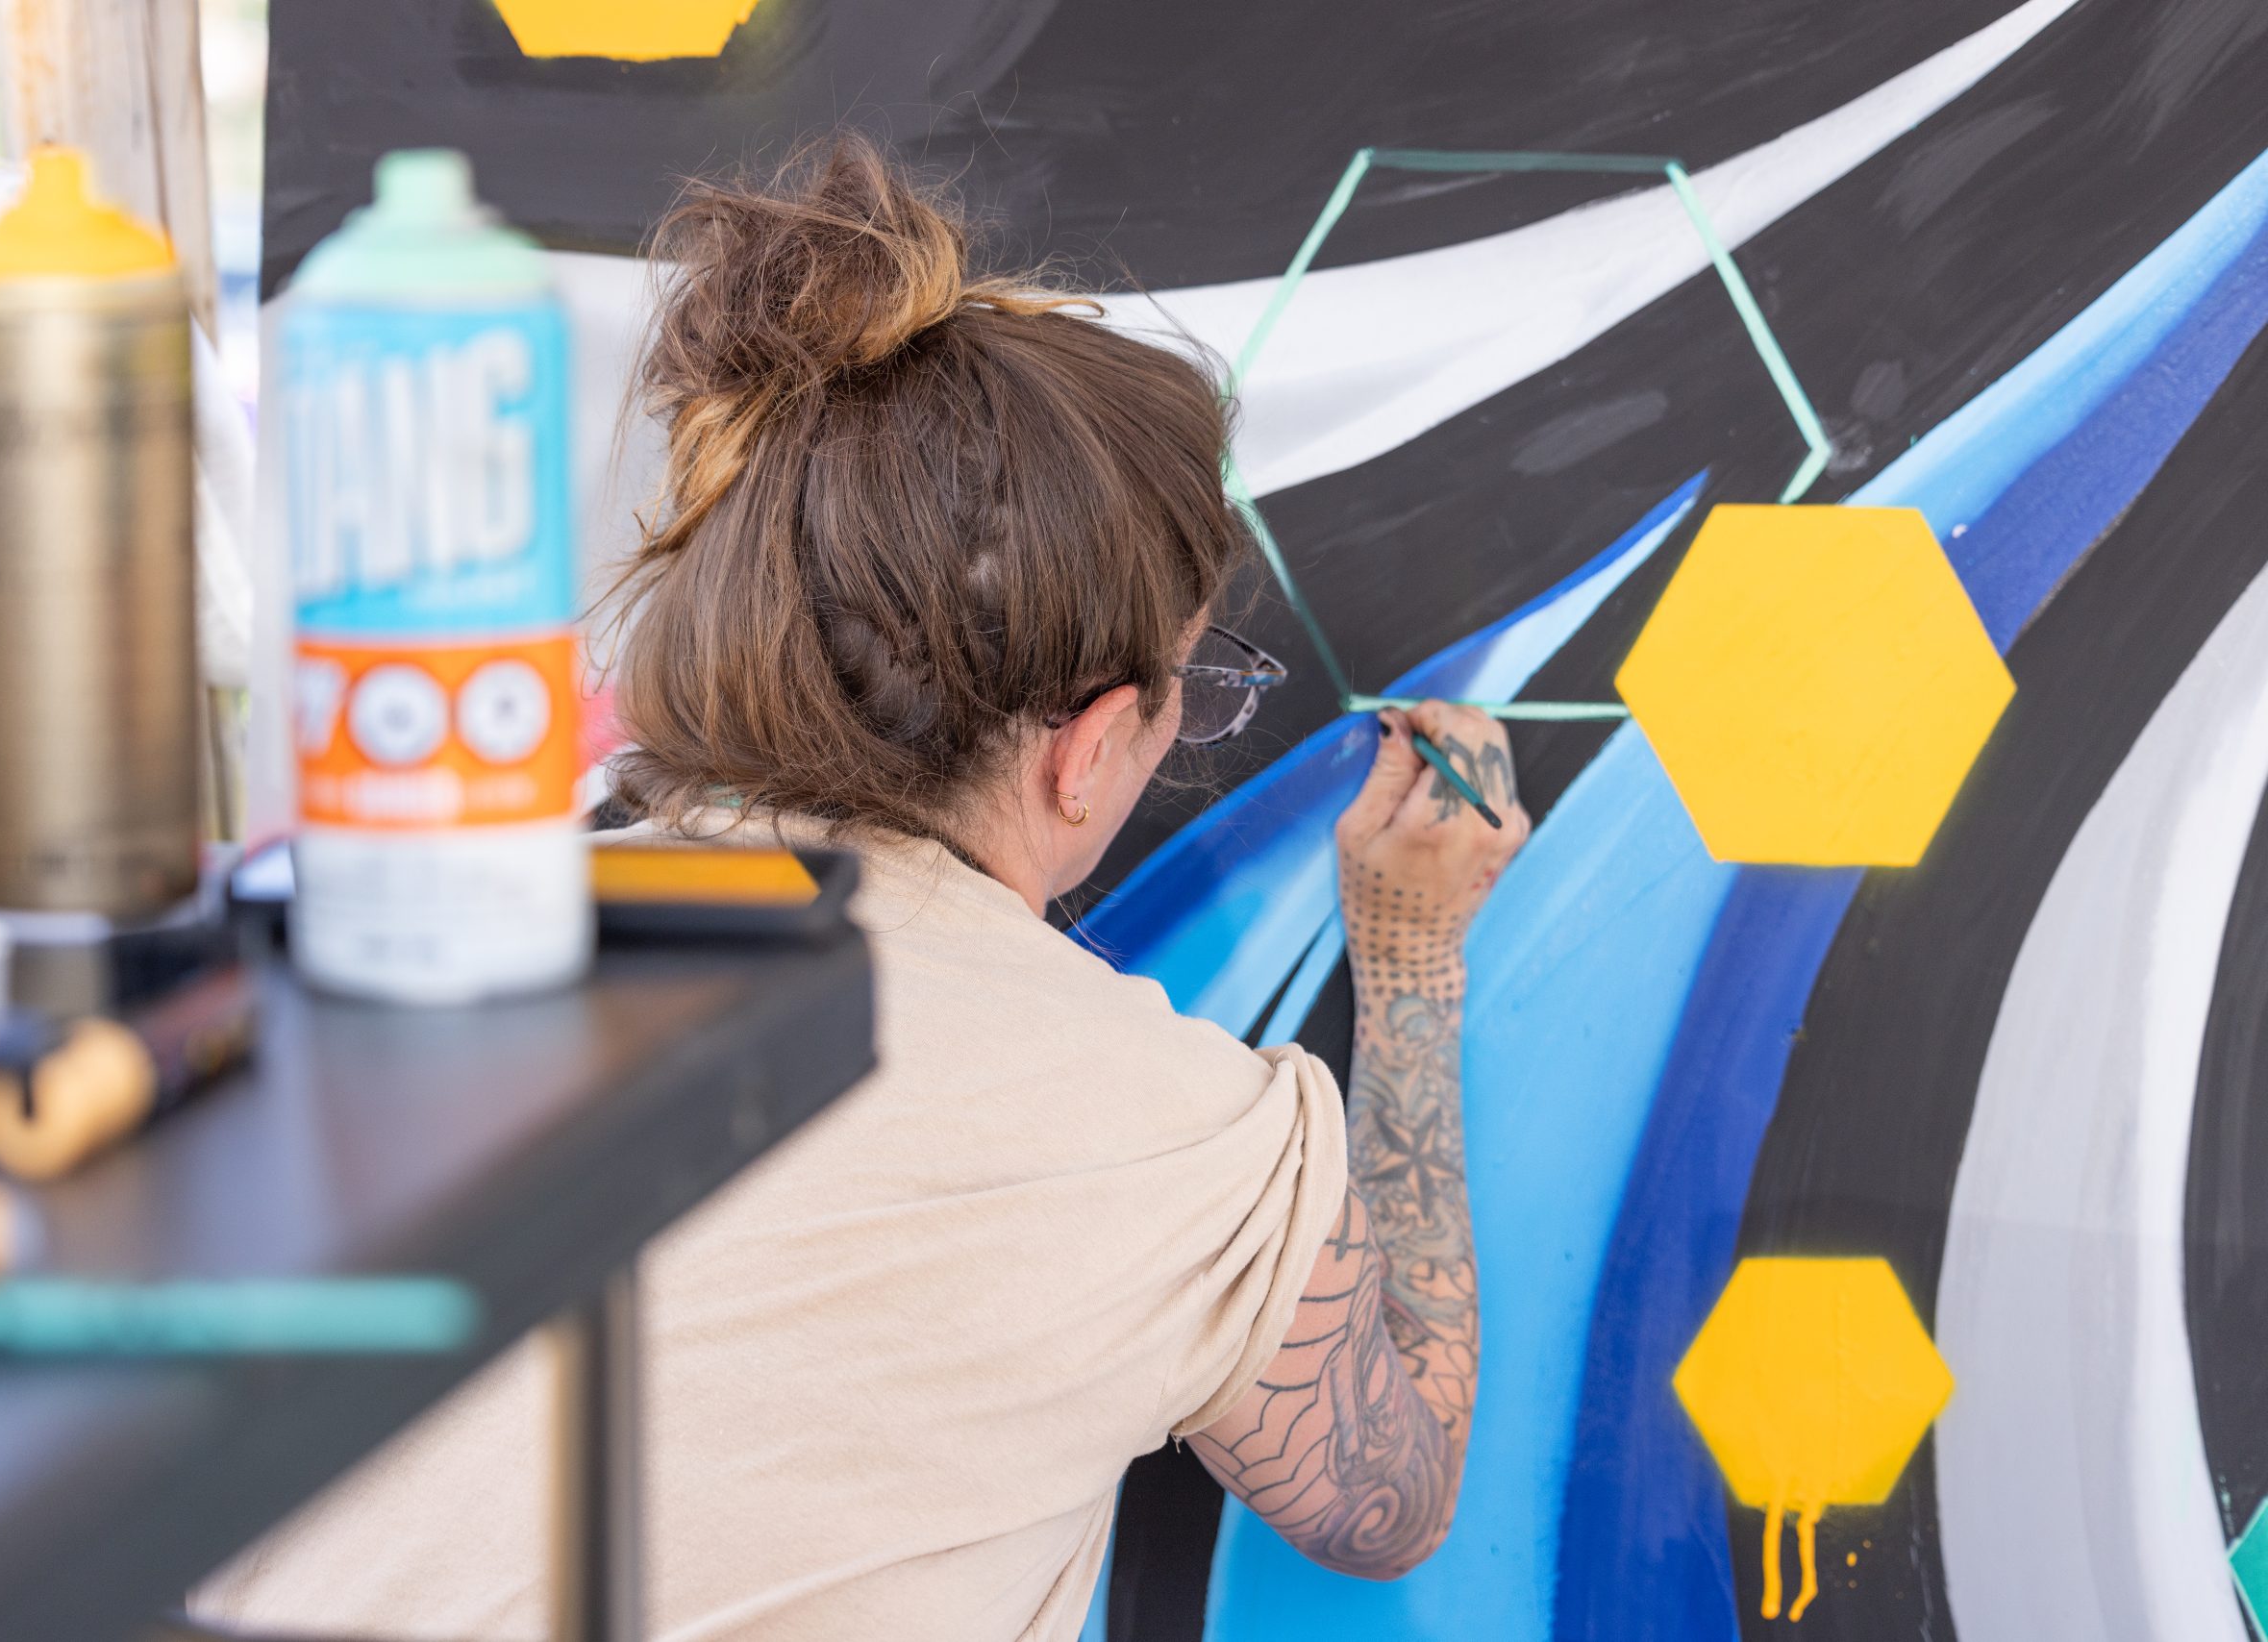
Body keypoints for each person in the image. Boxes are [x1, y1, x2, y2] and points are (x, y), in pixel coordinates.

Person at [195, 132, 1529, 1642]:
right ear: (1087, 748)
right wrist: (1414, 970)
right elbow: (1389, 1496)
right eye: (1187, 696)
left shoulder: (346, 976)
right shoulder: (1168, 1133)